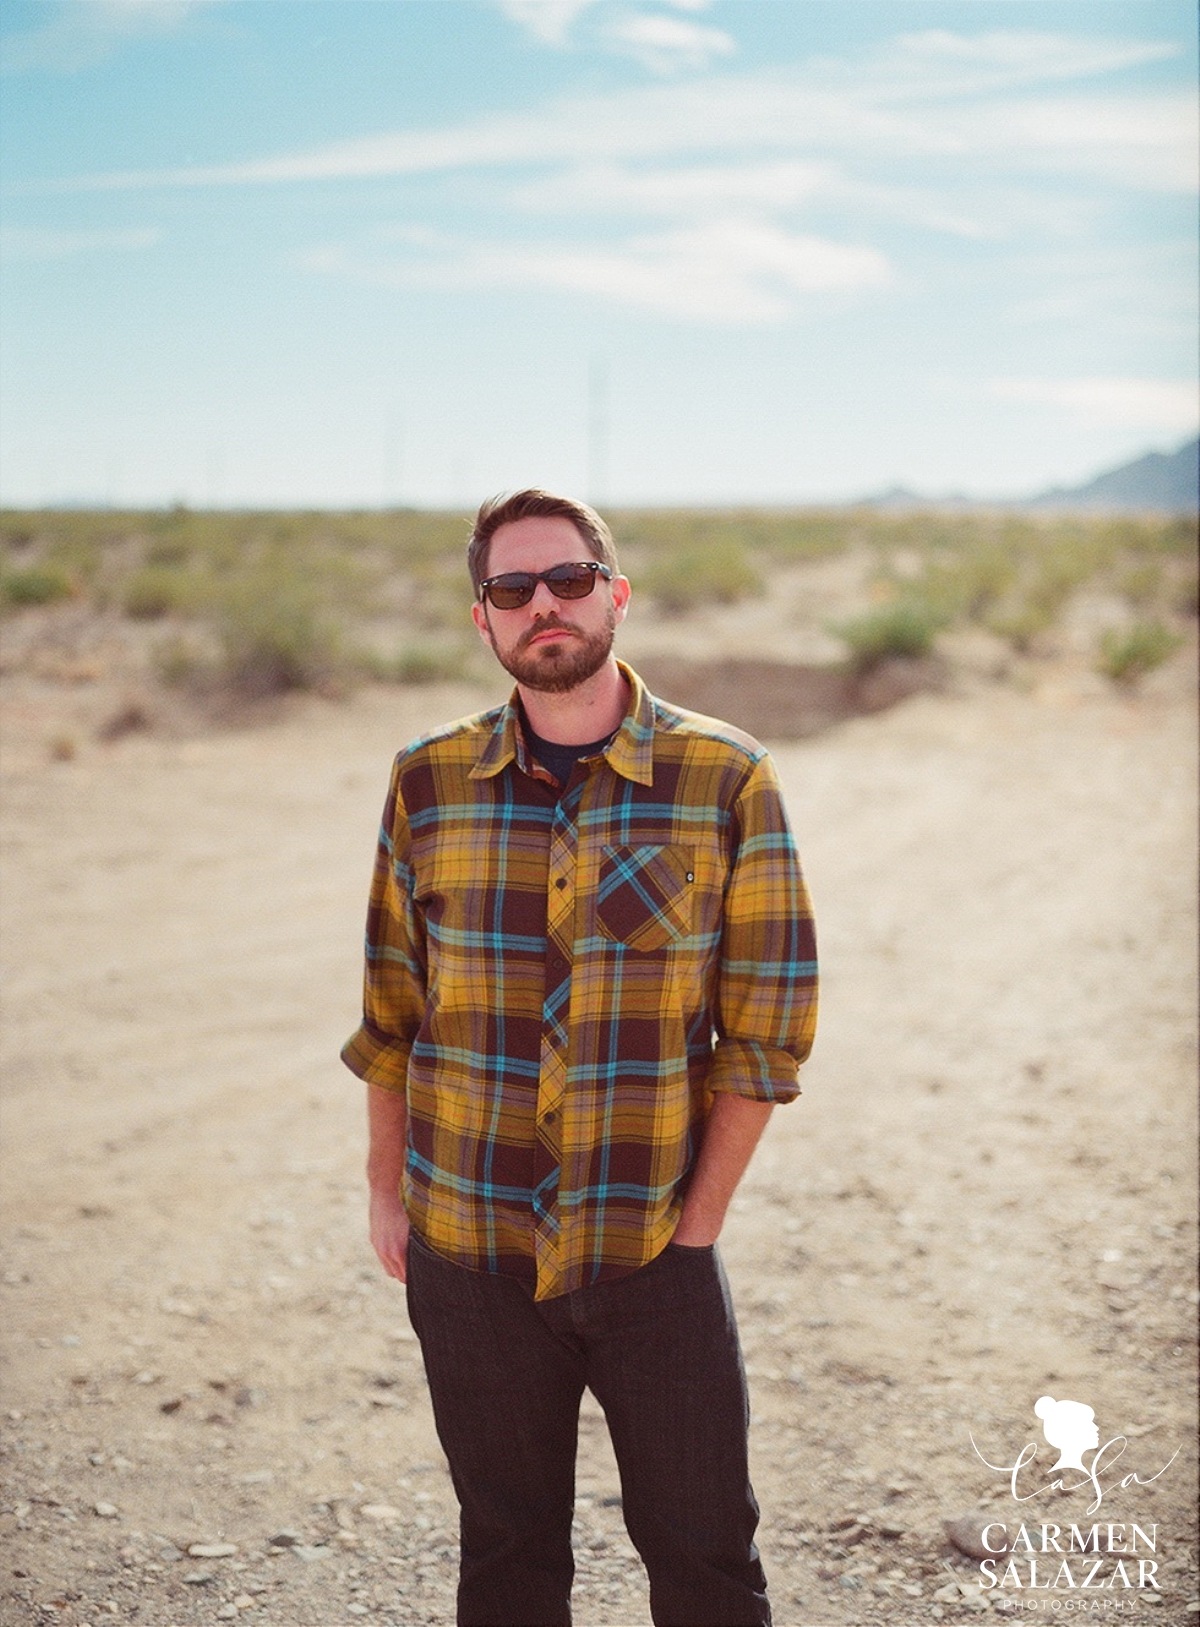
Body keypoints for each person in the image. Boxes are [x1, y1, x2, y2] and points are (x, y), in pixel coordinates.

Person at [341, 489, 818, 1627]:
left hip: (651, 1244)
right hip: (469, 1249)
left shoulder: (725, 779)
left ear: (616, 592)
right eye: (513, 589)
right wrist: (385, 1185)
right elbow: (393, 1007)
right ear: (484, 620)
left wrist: (695, 1223)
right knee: (507, 1562)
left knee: (707, 1560)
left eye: (566, 579)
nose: (543, 606)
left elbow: (767, 1024)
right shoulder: (427, 781)